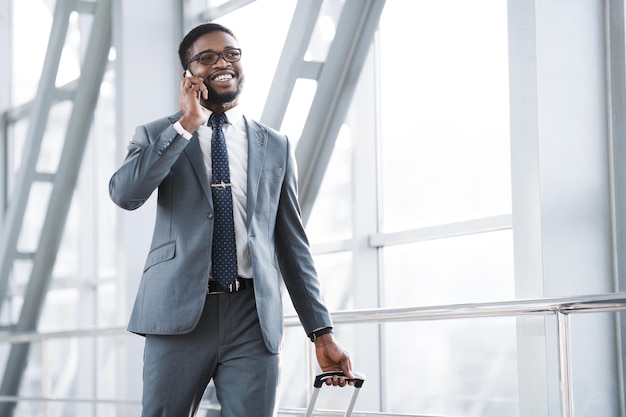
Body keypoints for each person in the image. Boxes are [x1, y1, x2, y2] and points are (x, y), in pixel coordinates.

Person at [109, 22, 354, 417]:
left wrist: (320, 332)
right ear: (188, 74)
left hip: (251, 318)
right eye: (207, 58)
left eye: (231, 54)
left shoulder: (274, 144)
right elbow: (125, 194)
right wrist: (186, 125)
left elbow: (292, 245)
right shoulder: (159, 134)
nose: (222, 63)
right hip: (178, 313)